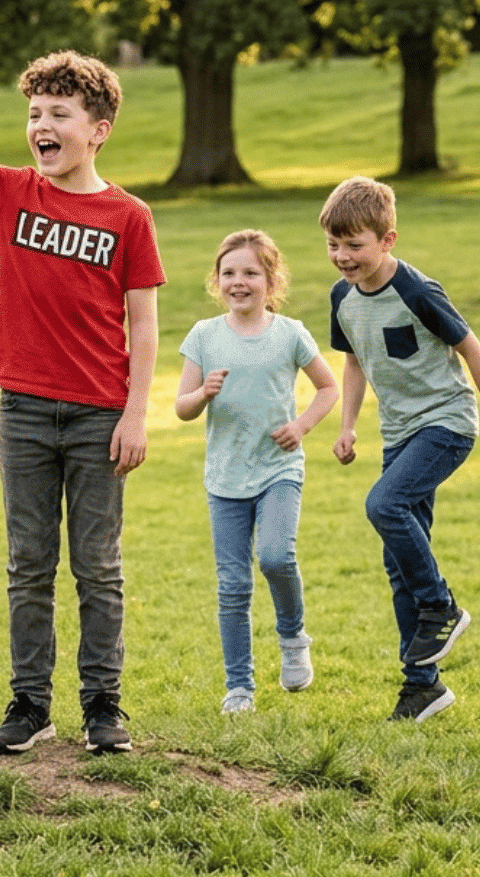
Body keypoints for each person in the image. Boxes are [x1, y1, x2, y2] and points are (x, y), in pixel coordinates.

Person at [0, 0, 165, 754]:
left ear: (98, 130)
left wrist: (136, 413)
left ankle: (103, 708)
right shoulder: (10, 192)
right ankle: (29, 704)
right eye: (35, 114)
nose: (42, 127)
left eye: (59, 114)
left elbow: (144, 323)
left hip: (98, 414)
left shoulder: (129, 217)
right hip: (23, 411)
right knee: (28, 565)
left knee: (98, 568)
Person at [322, 176, 480, 724]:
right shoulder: (342, 298)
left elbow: (470, 348)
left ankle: (441, 605)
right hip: (399, 433)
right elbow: (356, 359)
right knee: (395, 561)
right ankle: (422, 687)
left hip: (446, 425)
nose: (343, 257)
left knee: (384, 506)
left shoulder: (417, 290)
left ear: (388, 240)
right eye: (334, 245)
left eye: (355, 245)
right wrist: (348, 426)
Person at [175, 230, 339, 715]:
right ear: (217, 280)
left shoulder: (289, 334)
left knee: (274, 557)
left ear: (271, 280)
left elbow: (327, 388)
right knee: (232, 585)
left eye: (250, 273)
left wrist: (302, 425)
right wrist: (202, 394)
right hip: (225, 478)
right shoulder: (204, 336)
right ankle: (239, 686)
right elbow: (181, 407)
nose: (238, 282)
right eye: (229, 273)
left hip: (278, 469)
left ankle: (292, 638)